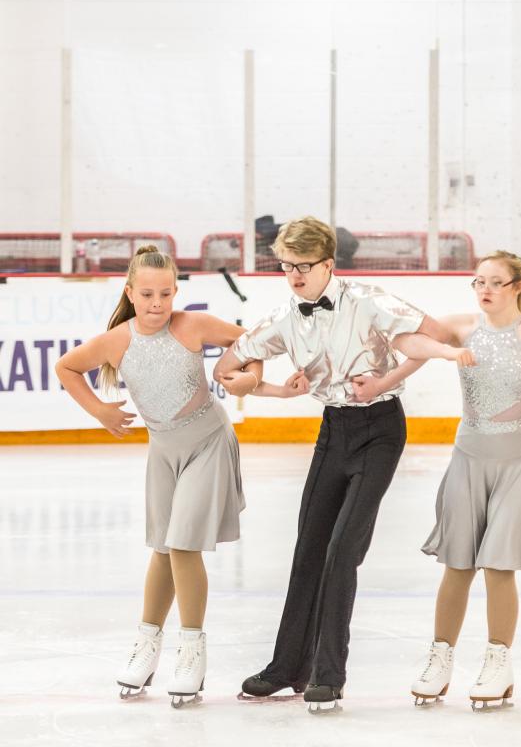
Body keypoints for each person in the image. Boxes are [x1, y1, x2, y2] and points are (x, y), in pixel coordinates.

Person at [214, 216, 458, 713]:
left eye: (303, 266)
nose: (295, 276)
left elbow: (432, 336)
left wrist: (388, 380)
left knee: (342, 550)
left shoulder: (369, 300)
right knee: (308, 551)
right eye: (286, 267)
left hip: (380, 432)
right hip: (332, 433)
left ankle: (330, 674)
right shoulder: (285, 316)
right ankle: (287, 668)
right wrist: (267, 386)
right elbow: (228, 366)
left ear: (328, 264)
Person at [54, 245, 303, 708]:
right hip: (162, 451)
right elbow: (66, 367)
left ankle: (192, 649)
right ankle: (147, 646)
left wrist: (252, 378)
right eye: (147, 294)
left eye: (165, 293)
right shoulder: (118, 339)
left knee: (184, 545)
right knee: (163, 549)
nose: (156, 303)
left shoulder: (192, 325)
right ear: (130, 293)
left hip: (207, 442)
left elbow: (252, 344)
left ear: (175, 292)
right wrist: (100, 411)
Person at [375, 250, 521, 711]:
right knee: (458, 564)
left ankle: (497, 661)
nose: (485, 290)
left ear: (516, 287)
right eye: (478, 282)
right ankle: (440, 656)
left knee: (500, 564)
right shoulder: (462, 326)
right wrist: (411, 368)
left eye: (495, 282)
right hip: (470, 458)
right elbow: (409, 342)